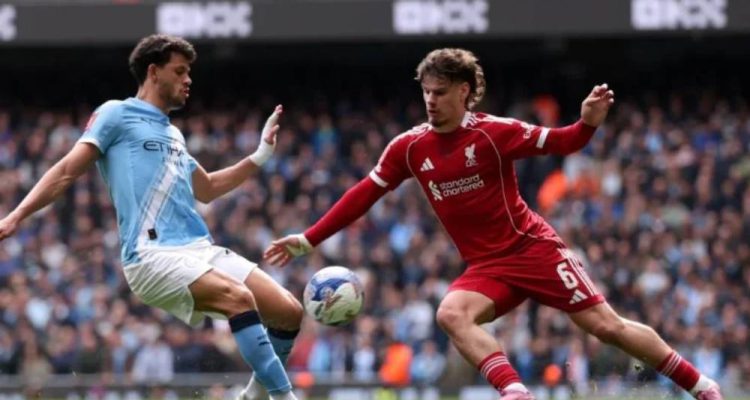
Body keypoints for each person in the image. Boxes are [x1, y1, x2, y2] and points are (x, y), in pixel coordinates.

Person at [264, 48, 723, 400]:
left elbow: (562, 142)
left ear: (465, 91)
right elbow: (364, 193)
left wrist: (587, 125)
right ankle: (515, 392)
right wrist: (309, 238)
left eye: (440, 92)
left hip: (533, 248)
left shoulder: (493, 132)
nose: (430, 101)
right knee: (450, 313)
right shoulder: (409, 147)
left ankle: (702, 386)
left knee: (607, 327)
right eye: (426, 92)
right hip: (487, 267)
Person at [0, 34, 302, 400]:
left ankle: (252, 396)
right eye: (180, 71)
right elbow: (66, 171)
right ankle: (284, 396)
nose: (188, 79)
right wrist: (15, 216)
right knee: (237, 297)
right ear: (154, 72)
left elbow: (207, 188)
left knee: (288, 311)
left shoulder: (173, 134)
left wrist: (259, 156)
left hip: (198, 249)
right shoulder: (116, 114)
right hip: (150, 255)